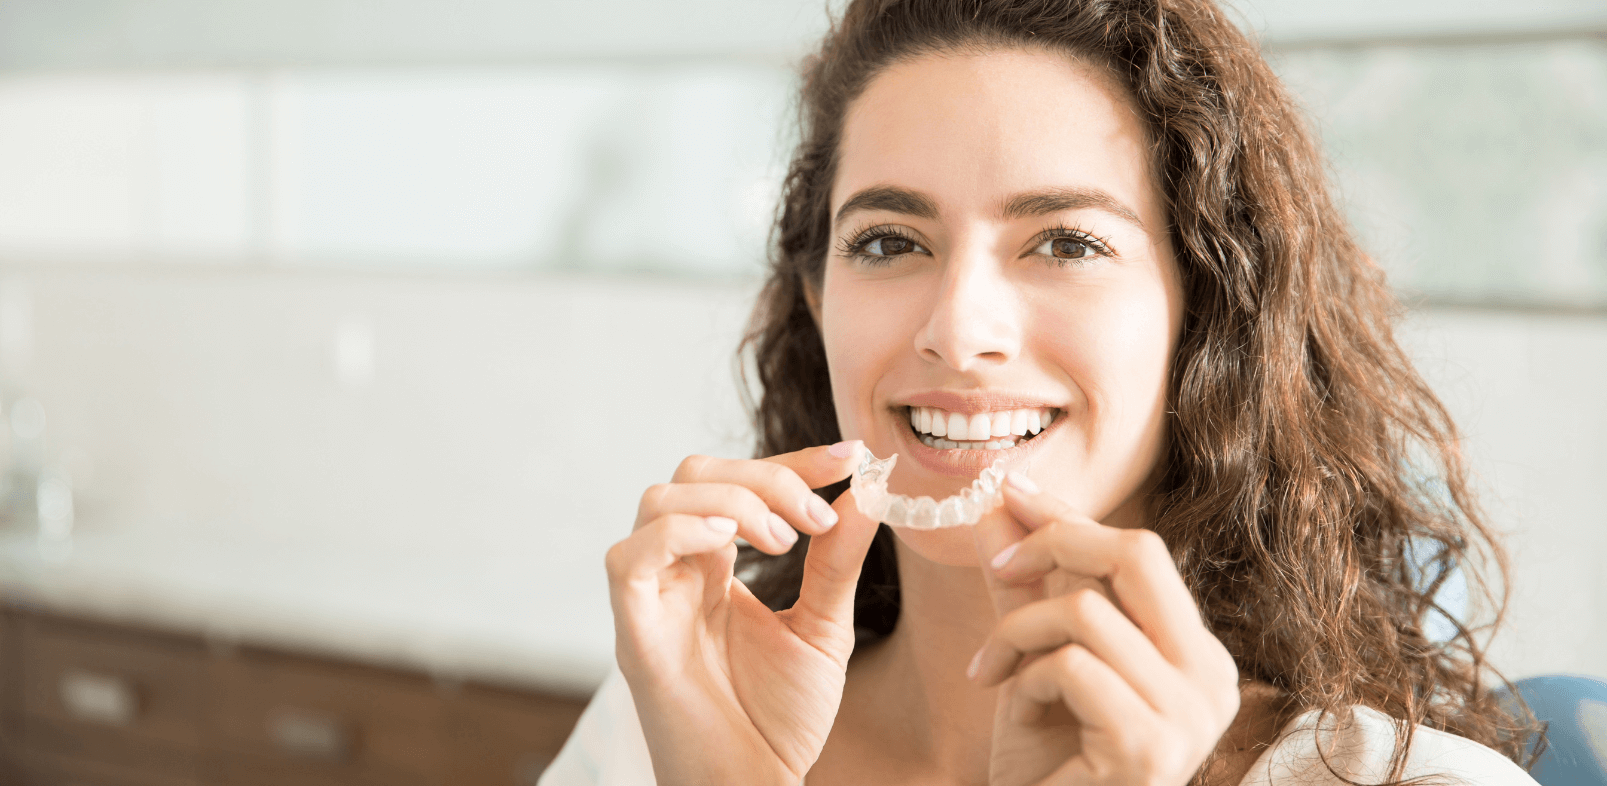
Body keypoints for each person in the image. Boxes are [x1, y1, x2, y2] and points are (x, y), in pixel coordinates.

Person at [541, 0, 1542, 783]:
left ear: (1204, 316)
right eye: (889, 242)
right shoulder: (666, 724)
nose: (955, 330)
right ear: (815, 301)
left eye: (1064, 242)